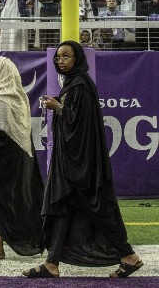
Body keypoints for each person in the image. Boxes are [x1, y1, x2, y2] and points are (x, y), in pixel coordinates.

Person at [25, 42, 144, 278]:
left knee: (97, 208)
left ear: (77, 58)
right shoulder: (72, 84)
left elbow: (80, 125)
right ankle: (52, 263)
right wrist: (60, 107)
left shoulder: (80, 85)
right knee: (63, 206)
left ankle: (128, 255)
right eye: (58, 57)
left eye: (66, 56)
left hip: (81, 164)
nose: (60, 61)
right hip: (72, 161)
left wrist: (58, 107)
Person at [0, 57, 44, 260]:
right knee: (20, 201)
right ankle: (35, 240)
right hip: (16, 159)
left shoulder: (1, 99)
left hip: (3, 162)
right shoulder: (18, 97)